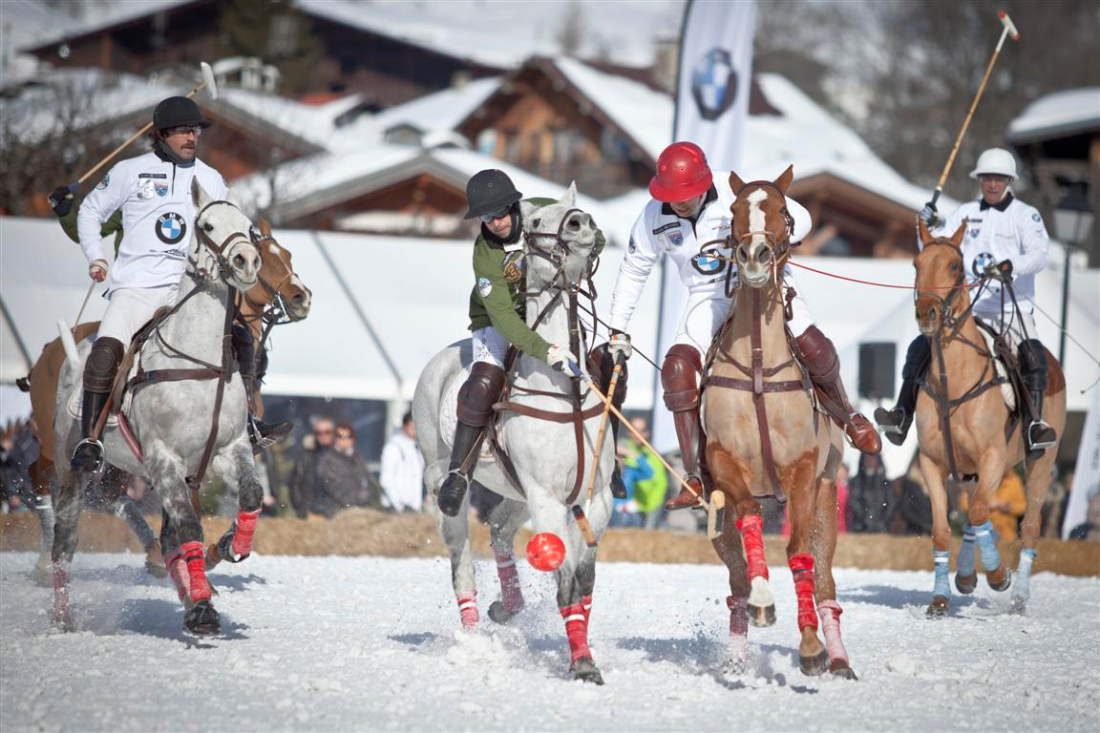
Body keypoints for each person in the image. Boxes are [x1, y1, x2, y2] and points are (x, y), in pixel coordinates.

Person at [607, 141, 881, 511]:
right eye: (672, 195)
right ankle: (693, 474)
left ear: (705, 182)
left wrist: (771, 235)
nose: (680, 201)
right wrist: (617, 327)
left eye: (686, 193)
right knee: (676, 369)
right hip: (707, 297)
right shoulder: (653, 216)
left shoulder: (737, 193)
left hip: (764, 283)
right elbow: (633, 270)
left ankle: (848, 415)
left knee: (815, 345)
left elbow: (800, 218)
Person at [53, 96, 292, 472]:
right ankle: (91, 438)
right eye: (183, 130)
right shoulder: (130, 171)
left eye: (195, 129)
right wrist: (96, 256)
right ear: (161, 134)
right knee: (105, 350)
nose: (191, 136)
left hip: (189, 290)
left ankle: (245, 422)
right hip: (136, 289)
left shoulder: (212, 179)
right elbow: (90, 211)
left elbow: (233, 224)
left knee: (243, 338)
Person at [435, 169, 620, 517]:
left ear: (514, 205)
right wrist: (546, 351)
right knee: (486, 378)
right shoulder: (486, 250)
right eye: (486, 217)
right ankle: (459, 471)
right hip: (497, 320)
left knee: (602, 368)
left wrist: (585, 237)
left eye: (500, 212)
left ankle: (612, 459)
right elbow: (503, 316)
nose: (495, 223)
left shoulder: (545, 213)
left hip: (549, 310)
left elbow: (595, 241)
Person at [877, 148, 1056, 459]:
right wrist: (927, 227)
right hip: (965, 308)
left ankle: (1033, 425)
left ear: (1009, 180)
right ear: (980, 180)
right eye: (987, 178)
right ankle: (902, 413)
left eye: (999, 178)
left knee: (1033, 355)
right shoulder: (964, 212)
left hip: (1010, 309)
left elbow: (1040, 253)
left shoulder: (1025, 215)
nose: (992, 183)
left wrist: (1010, 266)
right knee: (920, 347)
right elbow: (937, 249)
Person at [311, 422, 382, 518]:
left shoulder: (358, 458)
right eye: (340, 436)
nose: (344, 440)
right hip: (335, 512)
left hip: (359, 509)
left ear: (353, 439)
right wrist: (361, 499)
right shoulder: (328, 460)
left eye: (348, 436)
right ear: (335, 439)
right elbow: (336, 489)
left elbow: (368, 482)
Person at [624, 416, 669, 530]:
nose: (637, 434)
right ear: (628, 432)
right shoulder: (623, 447)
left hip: (650, 506)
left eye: (641, 431)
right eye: (633, 430)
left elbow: (661, 485)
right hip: (627, 506)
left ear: (647, 433)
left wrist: (647, 506)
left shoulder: (653, 455)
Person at [958, 469, 1026, 541]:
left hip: (1007, 534)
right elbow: (964, 504)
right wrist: (983, 505)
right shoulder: (979, 479)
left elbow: (1023, 507)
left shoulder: (1014, 481)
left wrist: (1009, 507)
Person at [288, 416, 335, 518]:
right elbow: (294, 484)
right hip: (311, 514)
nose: (323, 436)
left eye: (327, 432)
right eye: (319, 433)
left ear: (333, 433)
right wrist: (301, 508)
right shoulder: (306, 457)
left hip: (335, 515)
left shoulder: (340, 457)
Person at [380, 411, 425, 512]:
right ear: (404, 427)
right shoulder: (393, 447)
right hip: (396, 508)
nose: (416, 431)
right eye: (413, 427)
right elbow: (386, 480)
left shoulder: (417, 449)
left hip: (413, 508)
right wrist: (399, 506)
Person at [847, 453, 892, 533]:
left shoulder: (885, 483)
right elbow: (854, 501)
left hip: (882, 527)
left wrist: (883, 521)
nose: (870, 462)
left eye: (873, 459)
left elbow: (890, 503)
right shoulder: (857, 481)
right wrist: (865, 519)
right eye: (867, 459)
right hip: (860, 527)